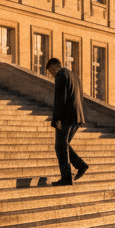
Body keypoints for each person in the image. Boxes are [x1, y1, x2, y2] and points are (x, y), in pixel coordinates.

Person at [45, 57, 89, 186]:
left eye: (51, 72)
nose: (53, 75)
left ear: (54, 67)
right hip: (77, 117)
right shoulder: (74, 76)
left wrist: (57, 119)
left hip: (66, 117)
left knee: (60, 146)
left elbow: (60, 99)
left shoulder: (61, 75)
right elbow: (80, 97)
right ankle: (81, 165)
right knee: (64, 145)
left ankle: (66, 177)